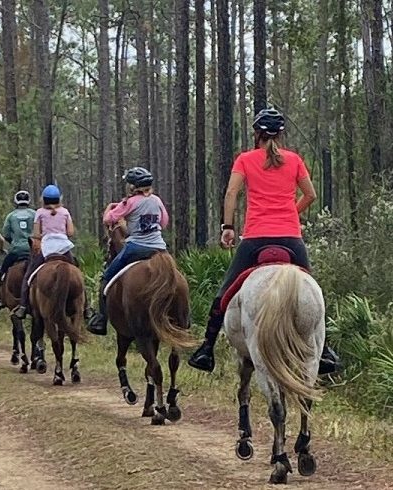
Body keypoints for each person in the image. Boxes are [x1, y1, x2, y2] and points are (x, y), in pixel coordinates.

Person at [188, 108, 340, 375]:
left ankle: (206, 349)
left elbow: (231, 193)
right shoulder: (294, 160)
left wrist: (228, 228)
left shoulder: (245, 160)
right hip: (291, 239)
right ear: (281, 134)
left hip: (256, 238)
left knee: (223, 295)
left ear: (256, 134)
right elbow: (311, 194)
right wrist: (292, 211)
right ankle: (324, 350)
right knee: (313, 291)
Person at [87, 167, 170, 336]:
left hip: (136, 248)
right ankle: (185, 317)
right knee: (175, 275)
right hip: (160, 249)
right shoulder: (157, 201)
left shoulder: (130, 202)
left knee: (107, 277)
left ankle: (101, 319)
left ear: (133, 187)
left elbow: (108, 219)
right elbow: (164, 222)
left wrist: (111, 208)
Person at [13, 184, 93, 320]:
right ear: (59, 199)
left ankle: (23, 306)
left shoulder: (39, 212)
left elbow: (37, 234)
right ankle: (86, 307)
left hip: (47, 248)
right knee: (78, 273)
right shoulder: (65, 212)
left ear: (43, 199)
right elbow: (71, 232)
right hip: (64, 248)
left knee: (29, 276)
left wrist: (43, 235)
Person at [0, 190, 36, 309]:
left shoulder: (11, 216)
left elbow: (6, 234)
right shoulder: (34, 214)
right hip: (33, 250)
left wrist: (14, 242)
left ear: (16, 201)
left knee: (2, 272)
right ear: (28, 201)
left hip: (16, 251)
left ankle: (0, 298)